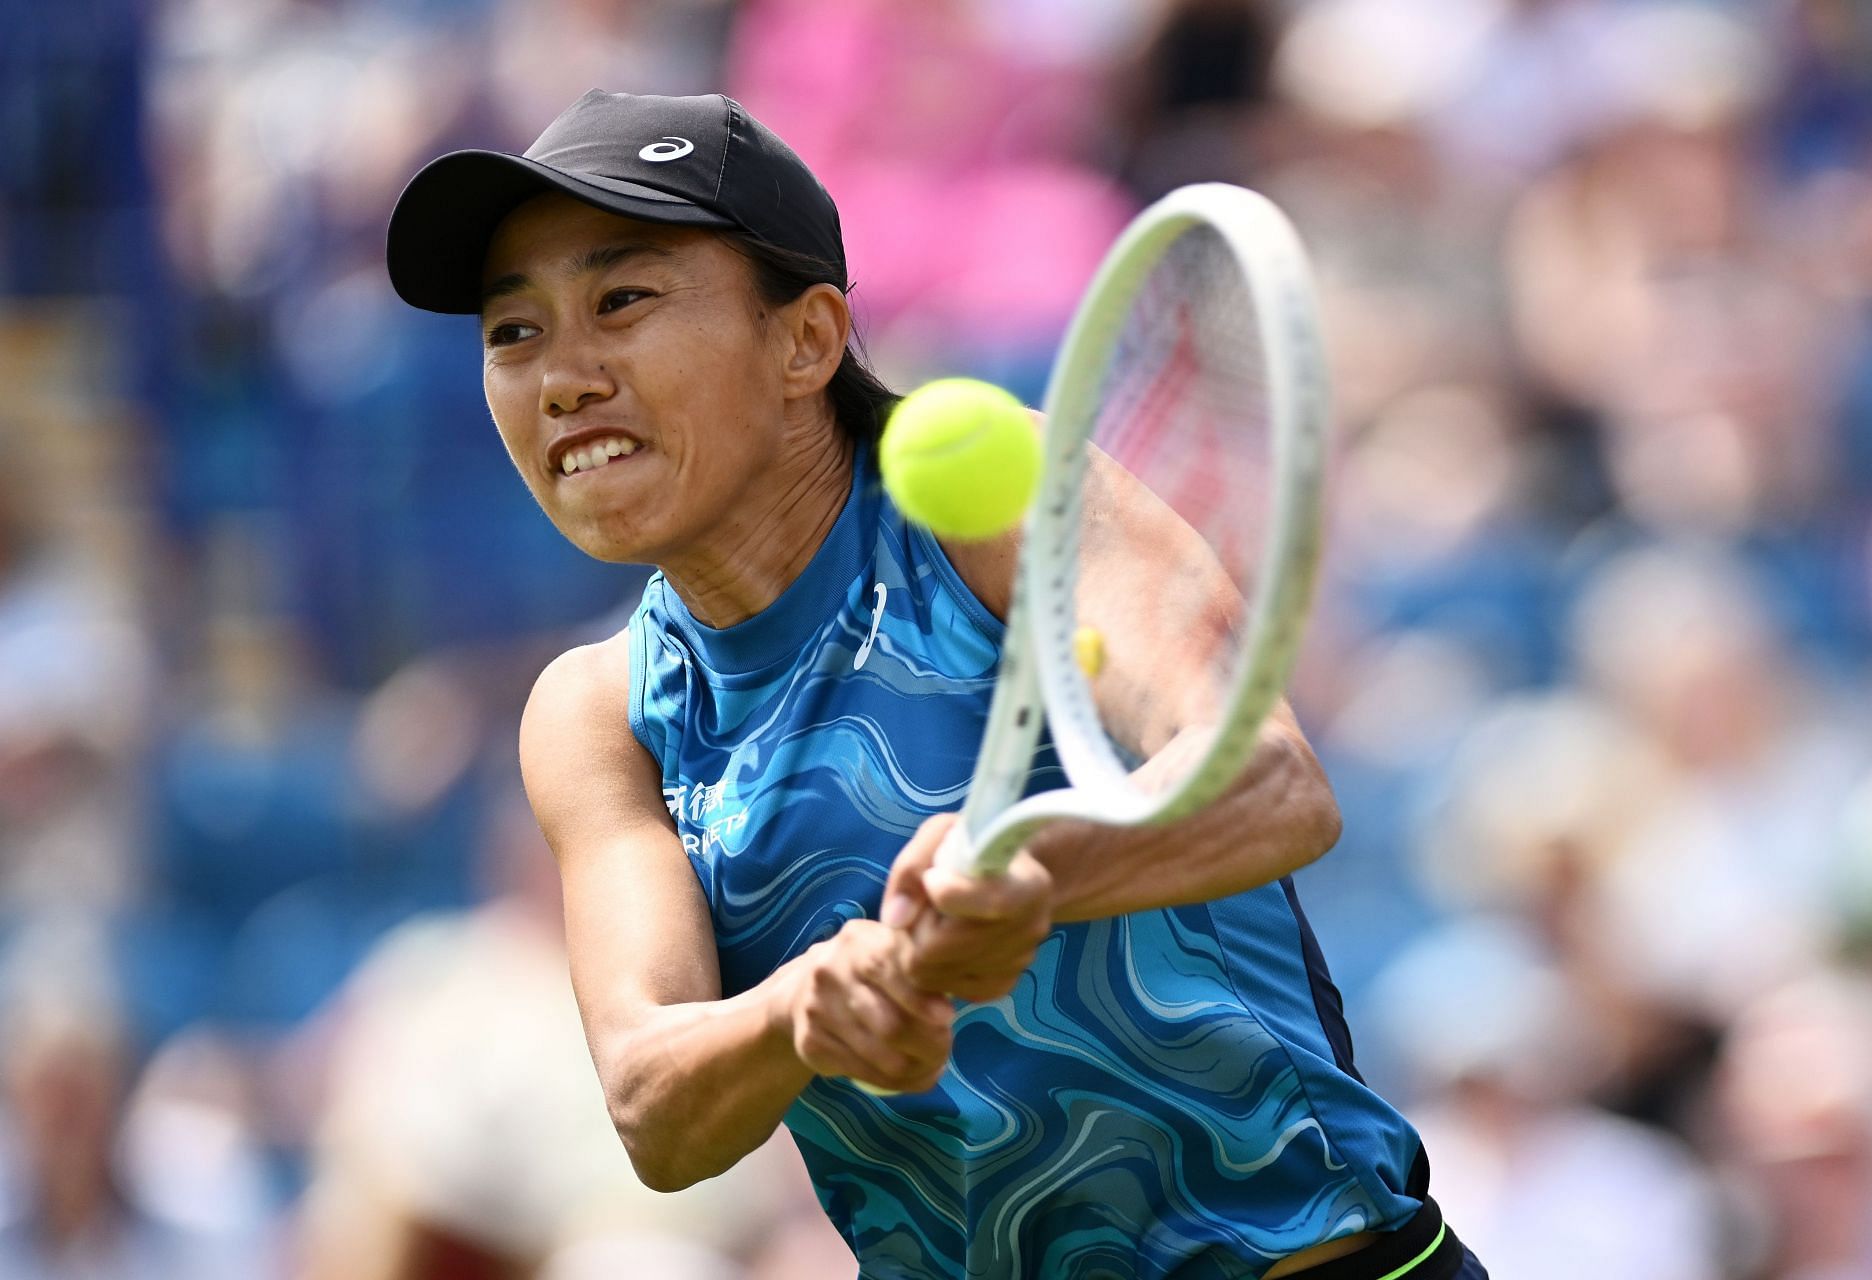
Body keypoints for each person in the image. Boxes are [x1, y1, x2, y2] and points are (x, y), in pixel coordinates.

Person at [386, 90, 1486, 1280]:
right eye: (514, 332)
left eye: (623, 300)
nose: (562, 376)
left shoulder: (991, 499)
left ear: (806, 339)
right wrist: (811, 1001)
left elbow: (1273, 785)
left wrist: (1031, 872)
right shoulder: (595, 713)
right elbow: (655, 1103)